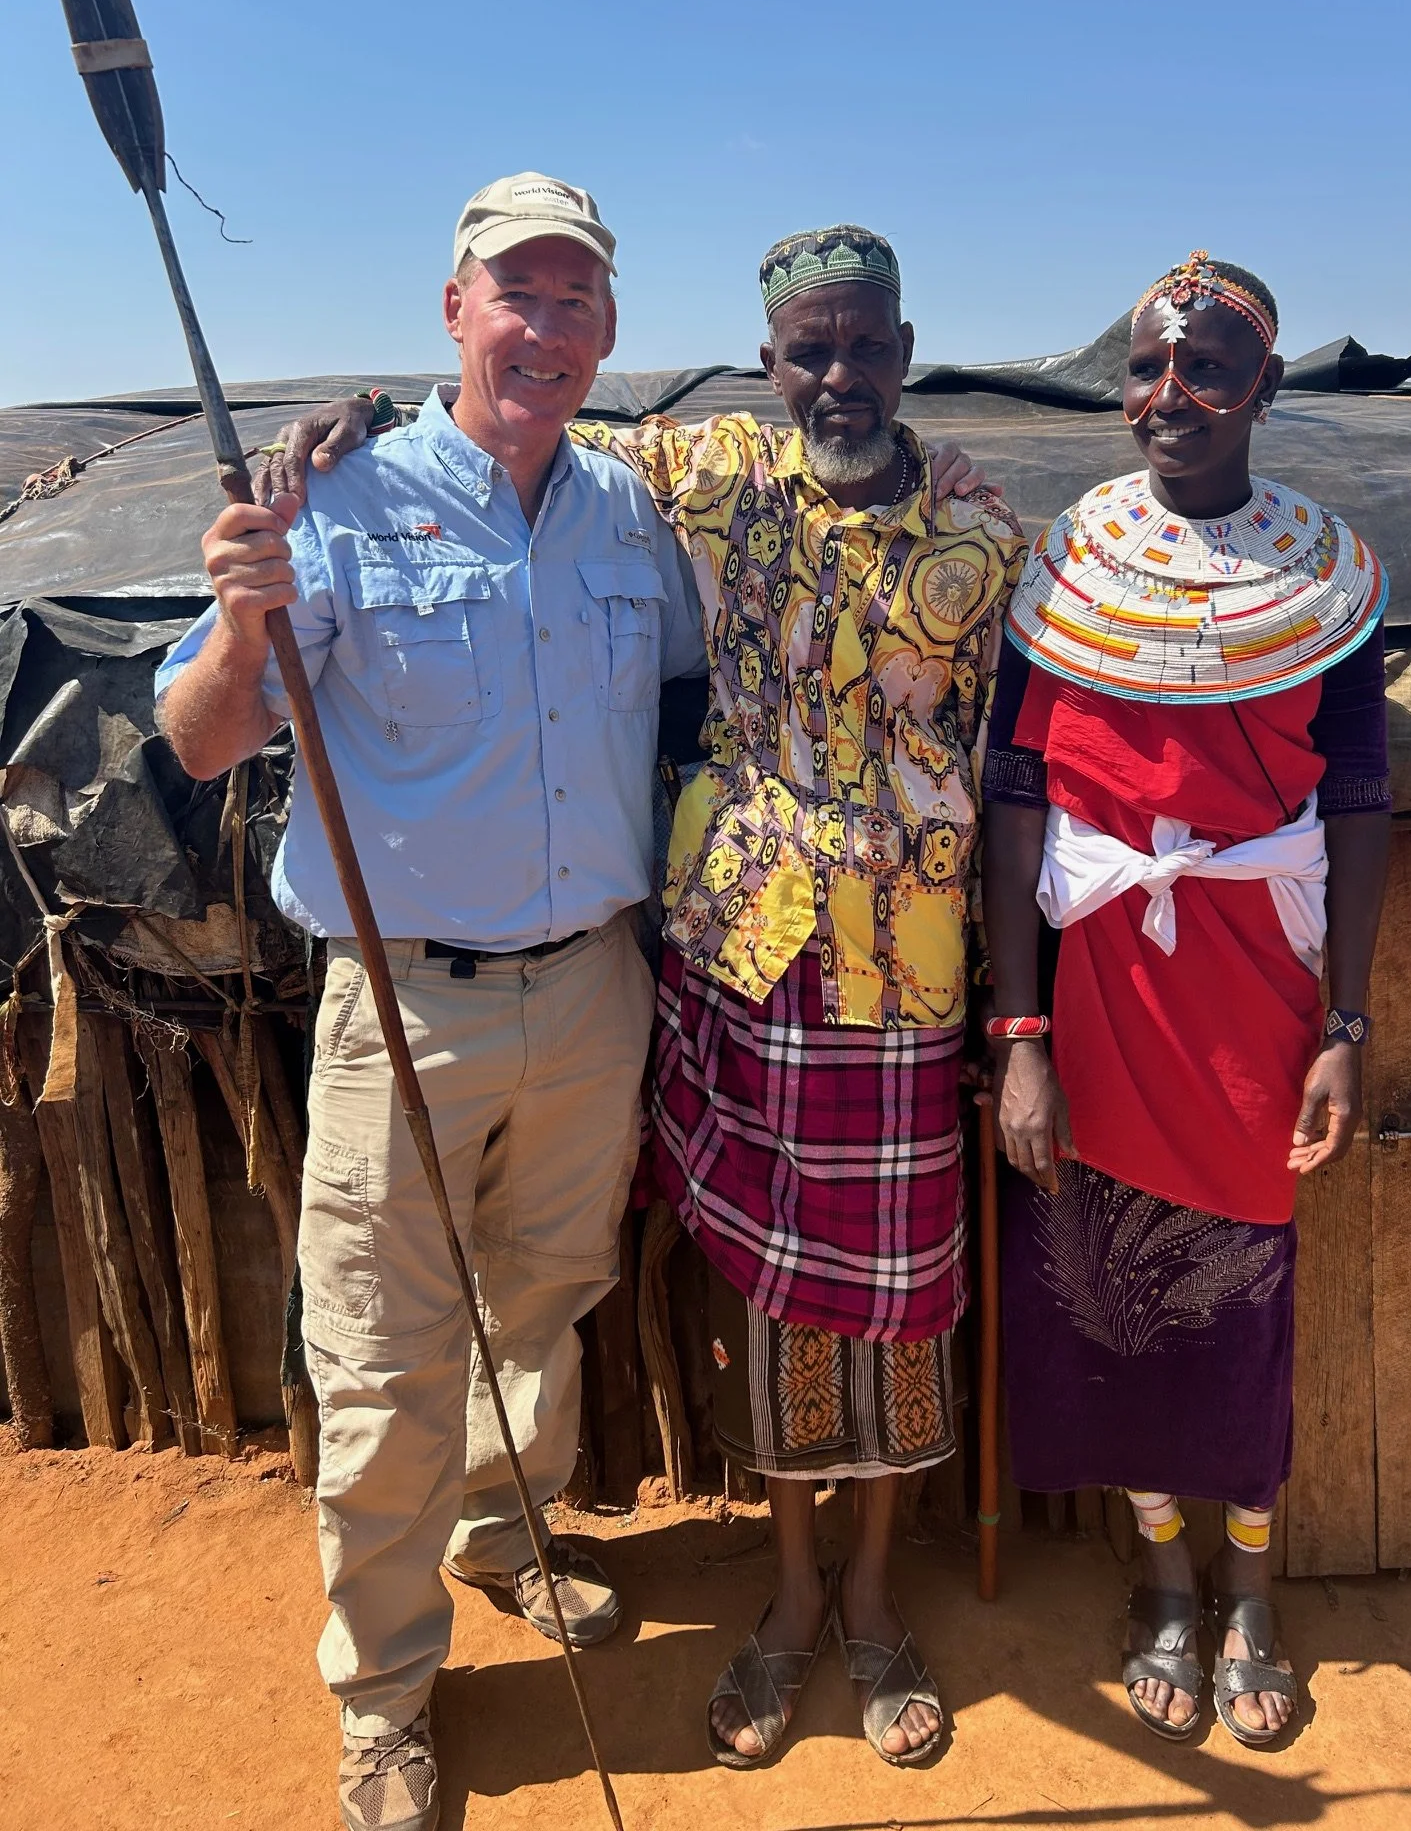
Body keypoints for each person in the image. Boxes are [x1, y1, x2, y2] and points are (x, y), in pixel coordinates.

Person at [277, 223, 1026, 1772]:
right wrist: (367, 409)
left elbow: (1026, 752)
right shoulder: (705, 471)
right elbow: (515, 419)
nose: (839, 374)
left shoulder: (983, 521)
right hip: (750, 949)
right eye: (810, 348)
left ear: (907, 351)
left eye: (865, 345)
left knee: (900, 1294)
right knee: (775, 1291)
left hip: (909, 959)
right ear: (769, 361)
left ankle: (870, 1596)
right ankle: (790, 1594)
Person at [155, 173, 710, 1831]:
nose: (547, 326)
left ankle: (503, 1532)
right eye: (516, 293)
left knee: (542, 1296)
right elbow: (200, 740)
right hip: (406, 1001)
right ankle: (388, 1694)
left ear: (608, 329)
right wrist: (242, 629)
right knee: (388, 1358)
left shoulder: (635, 513)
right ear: (455, 310)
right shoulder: (333, 499)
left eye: (576, 298)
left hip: (593, 987)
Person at [980, 253, 1392, 1748]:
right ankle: (1164, 1576)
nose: (1172, 394)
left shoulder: (1327, 584)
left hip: (1253, 990)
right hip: (1103, 987)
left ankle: (1253, 1589)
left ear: (1262, 389)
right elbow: (1015, 797)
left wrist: (1345, 1026)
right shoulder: (1066, 569)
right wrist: (1021, 1038)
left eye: (1208, 368)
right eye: (1150, 365)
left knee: (1241, 1297)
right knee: (1109, 1295)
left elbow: (1356, 800)